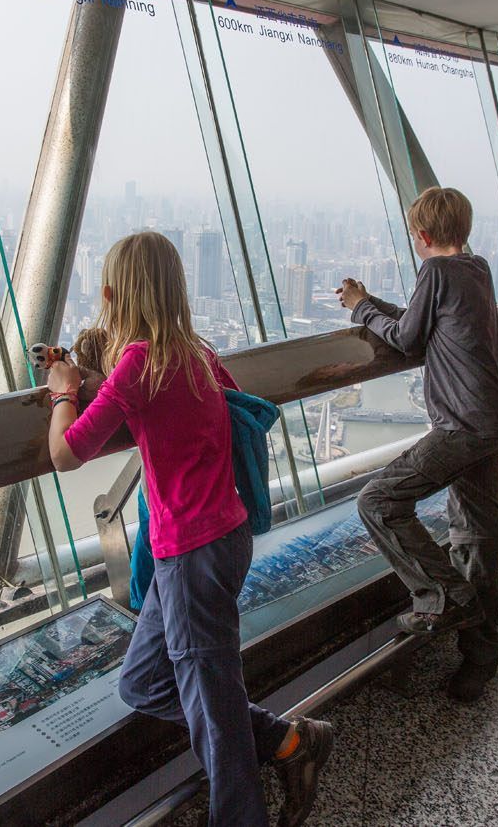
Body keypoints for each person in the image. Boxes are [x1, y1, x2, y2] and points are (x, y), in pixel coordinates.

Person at [45, 232, 332, 827]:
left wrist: (64, 393)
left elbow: (68, 453)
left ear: (110, 295)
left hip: (191, 555)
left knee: (213, 715)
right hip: (224, 538)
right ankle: (291, 742)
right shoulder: (197, 352)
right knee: (145, 681)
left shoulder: (136, 366)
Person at [339, 186, 498, 703]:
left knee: (378, 501)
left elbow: (407, 338)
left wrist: (358, 308)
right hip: (495, 418)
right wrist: (373, 304)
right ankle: (480, 660)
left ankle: (445, 596)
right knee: (478, 540)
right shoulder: (475, 269)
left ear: (420, 237)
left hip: (462, 424)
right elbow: (425, 321)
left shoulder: (436, 273)